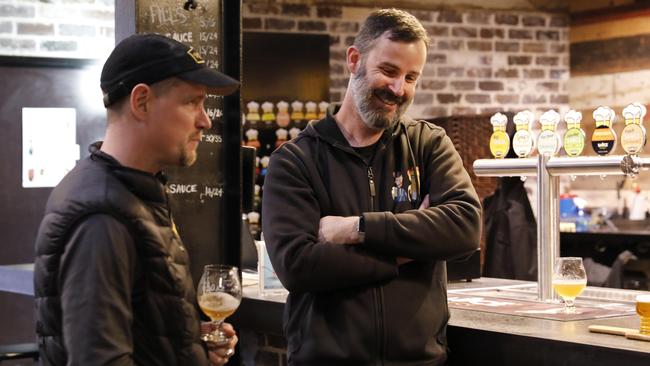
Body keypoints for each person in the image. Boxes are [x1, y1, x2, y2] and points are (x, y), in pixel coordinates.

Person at [262, 8, 481, 366]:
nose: (399, 89)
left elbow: (465, 228)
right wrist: (409, 249)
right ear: (354, 60)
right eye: (389, 71)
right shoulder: (295, 159)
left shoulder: (428, 144)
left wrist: (358, 227)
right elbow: (298, 266)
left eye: (412, 77)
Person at [33, 34, 240, 366]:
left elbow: (136, 330)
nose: (206, 120)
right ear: (141, 101)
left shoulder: (130, 192)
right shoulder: (102, 215)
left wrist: (188, 344)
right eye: (191, 102)